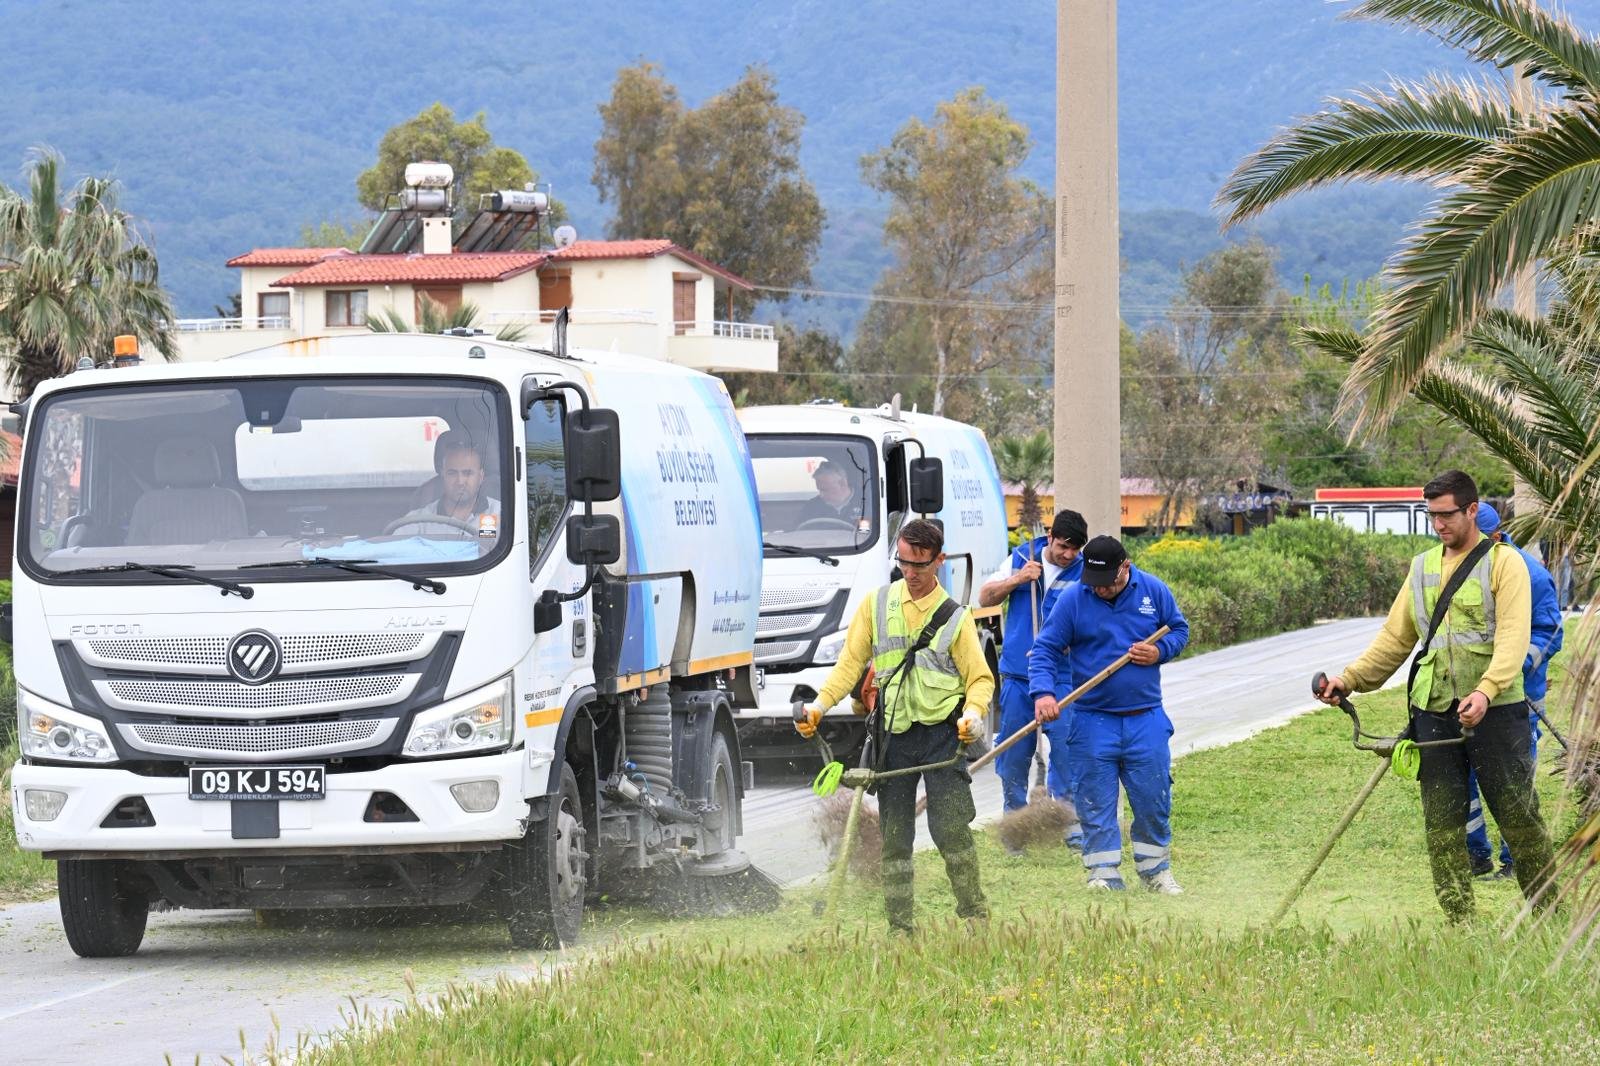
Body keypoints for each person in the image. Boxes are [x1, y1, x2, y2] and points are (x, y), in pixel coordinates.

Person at [1316, 470, 1554, 922]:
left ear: (1470, 510)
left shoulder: (1505, 563)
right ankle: (1460, 920)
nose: (1439, 525)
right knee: (1443, 828)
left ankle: (1549, 913)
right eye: (1432, 516)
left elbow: (1512, 639)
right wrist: (1349, 680)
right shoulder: (1422, 566)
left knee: (1519, 819)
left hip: (1496, 711)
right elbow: (1394, 639)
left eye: (1446, 515)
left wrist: (1485, 691)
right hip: (1434, 711)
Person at [795, 518, 992, 932]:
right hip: (892, 738)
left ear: (938, 561)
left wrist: (972, 715)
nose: (911, 573)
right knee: (896, 839)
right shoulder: (876, 604)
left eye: (920, 565)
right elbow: (849, 664)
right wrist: (820, 705)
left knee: (950, 830)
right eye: (904, 562)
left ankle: (974, 914)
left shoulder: (956, 617)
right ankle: (900, 927)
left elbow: (980, 678)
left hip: (943, 735)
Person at [1028, 534, 1190, 893]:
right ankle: (1103, 874)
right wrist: (1043, 693)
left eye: (1108, 583)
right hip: (1091, 719)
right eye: (1094, 583)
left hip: (1144, 716)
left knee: (1152, 797)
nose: (1100, 590)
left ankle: (1156, 872)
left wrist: (1159, 651)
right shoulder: (1074, 598)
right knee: (1095, 800)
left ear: (1125, 567)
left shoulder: (1153, 591)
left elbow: (1180, 630)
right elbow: (1045, 650)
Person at [1464, 503, 1563, 879]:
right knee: (1466, 773)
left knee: (1514, 777)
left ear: (1494, 536)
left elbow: (1550, 634)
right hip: (1469, 694)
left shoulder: (1532, 574)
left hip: (1519, 696)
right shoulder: (1463, 570)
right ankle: (1476, 857)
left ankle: (1514, 859)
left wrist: (1508, 670)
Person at [978, 509, 1088, 851]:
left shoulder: (1085, 572)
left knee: (1068, 751)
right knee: (1012, 754)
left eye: (1076, 549)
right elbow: (985, 598)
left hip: (1063, 679)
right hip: (1017, 677)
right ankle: (1016, 826)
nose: (1068, 555)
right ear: (1051, 537)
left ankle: (1067, 822)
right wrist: (1017, 580)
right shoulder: (1022, 557)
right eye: (1064, 547)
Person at [399, 435, 502, 536]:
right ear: (443, 475)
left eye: (467, 473)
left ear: (480, 477)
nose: (460, 482)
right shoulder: (419, 521)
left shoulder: (500, 514)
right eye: (452, 473)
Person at [796, 460, 862, 526]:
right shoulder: (811, 507)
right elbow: (798, 531)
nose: (821, 495)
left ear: (842, 483)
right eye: (819, 490)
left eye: (825, 490)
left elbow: (866, 533)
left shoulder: (866, 503)